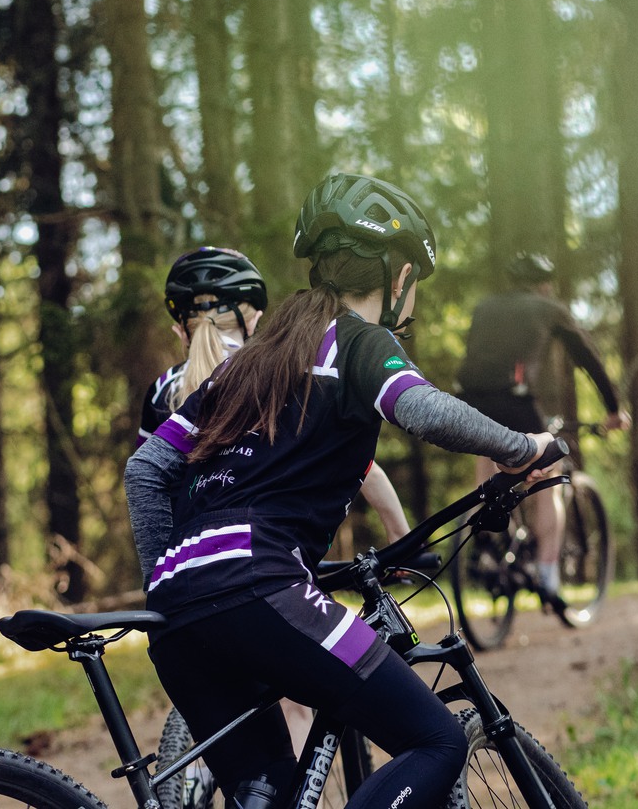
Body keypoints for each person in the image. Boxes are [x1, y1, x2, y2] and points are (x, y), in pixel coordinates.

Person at [125, 174, 555, 809]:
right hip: (261, 583)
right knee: (436, 740)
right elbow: (423, 411)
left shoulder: (252, 355)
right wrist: (523, 448)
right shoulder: (356, 339)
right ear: (399, 273)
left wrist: (168, 579)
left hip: (177, 615)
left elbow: (145, 471)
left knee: (263, 791)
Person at [145, 245, 413, 756]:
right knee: (300, 689)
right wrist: (399, 534)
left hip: (185, 581)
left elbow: (149, 475)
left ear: (180, 324)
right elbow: (356, 467)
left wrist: (158, 570)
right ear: (253, 315)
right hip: (258, 564)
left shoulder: (162, 391)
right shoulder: (261, 366)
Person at [456, 252, 629, 602]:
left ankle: (484, 547)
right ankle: (548, 575)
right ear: (544, 284)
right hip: (514, 397)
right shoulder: (548, 307)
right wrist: (613, 409)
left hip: (468, 396)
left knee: (486, 461)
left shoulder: (485, 307)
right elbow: (588, 358)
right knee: (548, 474)